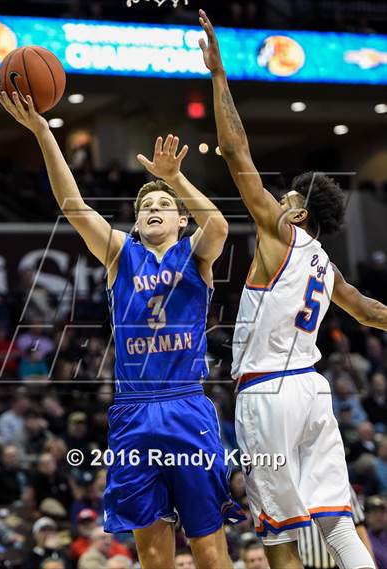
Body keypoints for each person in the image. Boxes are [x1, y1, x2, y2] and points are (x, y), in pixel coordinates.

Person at [0, 89, 243, 569]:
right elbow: (73, 206)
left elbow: (218, 227)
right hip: (133, 414)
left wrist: (173, 178)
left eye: (163, 204)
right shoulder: (119, 255)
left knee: (209, 550)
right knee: (152, 554)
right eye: (145, 204)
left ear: (180, 219)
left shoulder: (195, 254)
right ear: (135, 221)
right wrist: (45, 134)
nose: (153, 207)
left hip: (186, 406)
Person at [198, 8, 387, 569]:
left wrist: (218, 75)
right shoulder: (327, 266)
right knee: (337, 520)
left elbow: (235, 155)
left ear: (299, 211)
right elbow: (373, 313)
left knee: (278, 532)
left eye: (286, 200)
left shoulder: (283, 235)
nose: (277, 202)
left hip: (270, 393)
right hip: (313, 391)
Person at [298, 485, 375, 569]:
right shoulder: (296, 483)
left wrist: (372, 562)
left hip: (338, 564)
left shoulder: (343, 483)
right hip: (304, 564)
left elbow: (359, 525)